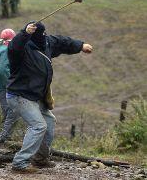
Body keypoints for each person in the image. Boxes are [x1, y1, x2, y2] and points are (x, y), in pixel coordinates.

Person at [7, 22, 93, 173]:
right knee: (38, 125)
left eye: (43, 34)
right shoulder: (22, 48)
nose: (43, 37)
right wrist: (24, 32)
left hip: (35, 97)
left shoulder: (46, 42)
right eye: (38, 34)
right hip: (19, 95)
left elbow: (62, 42)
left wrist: (81, 46)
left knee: (49, 121)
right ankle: (20, 163)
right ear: (31, 35)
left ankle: (40, 159)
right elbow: (14, 47)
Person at [0, 28, 17, 143]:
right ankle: (4, 138)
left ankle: (4, 136)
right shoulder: (6, 49)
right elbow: (2, 70)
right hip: (2, 85)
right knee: (12, 110)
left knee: (7, 111)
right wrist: (11, 83)